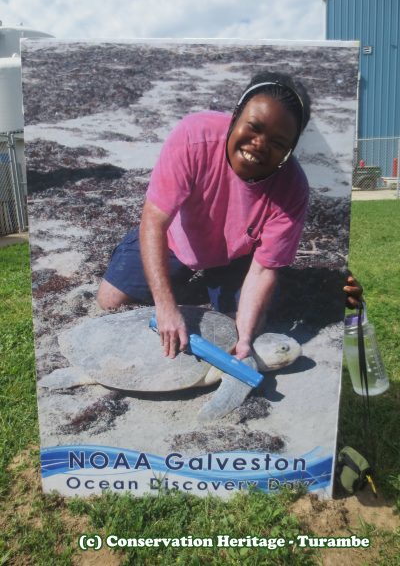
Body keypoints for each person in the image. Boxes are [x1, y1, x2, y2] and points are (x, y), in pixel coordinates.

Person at [97, 70, 361, 359]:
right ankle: (158, 269)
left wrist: (246, 339)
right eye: (254, 127)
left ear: (291, 148)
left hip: (235, 257)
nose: (259, 145)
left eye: (277, 143)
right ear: (235, 116)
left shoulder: (293, 189)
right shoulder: (193, 136)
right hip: (174, 239)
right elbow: (154, 221)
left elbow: (262, 270)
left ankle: (216, 294)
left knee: (246, 330)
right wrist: (166, 308)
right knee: (109, 301)